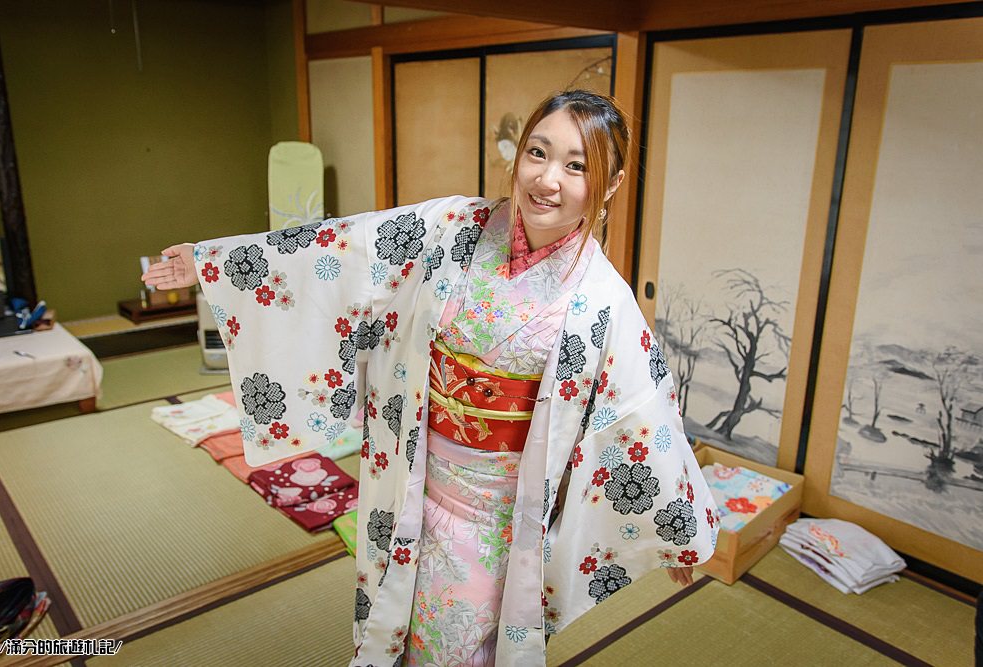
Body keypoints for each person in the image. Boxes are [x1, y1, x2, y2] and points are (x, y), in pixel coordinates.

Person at [143, 90, 719, 666]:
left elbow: (643, 412)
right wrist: (213, 262)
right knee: (391, 621)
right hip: (410, 479)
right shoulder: (453, 227)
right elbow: (345, 249)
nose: (548, 179)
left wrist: (676, 527)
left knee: (454, 648)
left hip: (498, 517)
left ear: (610, 185)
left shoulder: (603, 300)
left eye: (576, 166)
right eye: (537, 153)